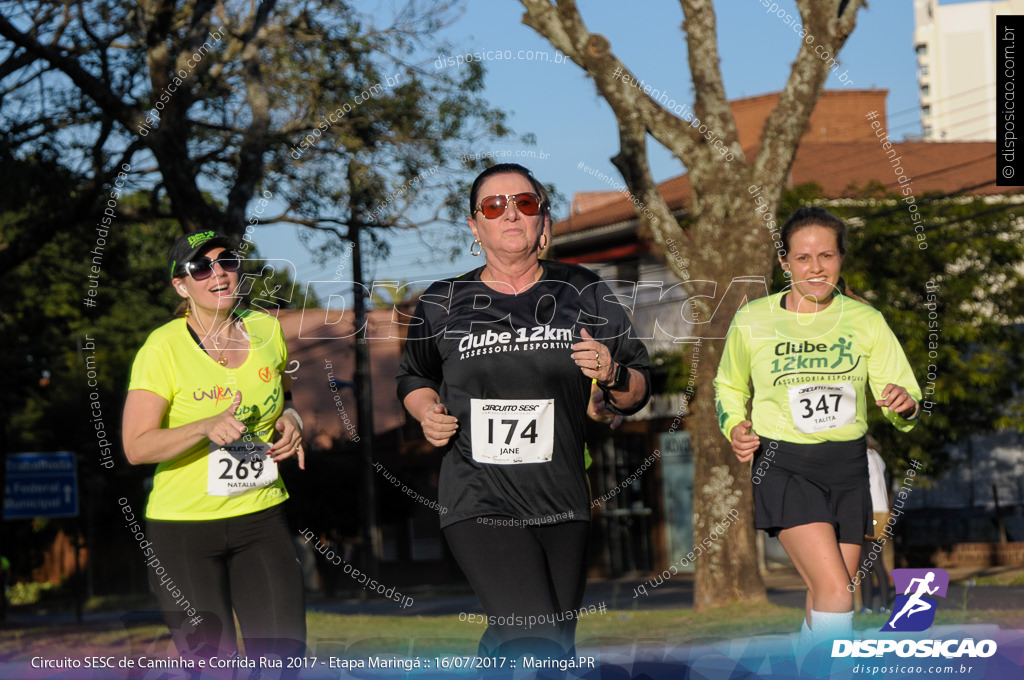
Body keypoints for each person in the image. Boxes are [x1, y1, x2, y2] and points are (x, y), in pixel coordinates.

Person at [397, 164, 651, 660]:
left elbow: (638, 388)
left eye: (525, 203)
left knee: (552, 640)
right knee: (536, 638)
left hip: (562, 495)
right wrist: (427, 411)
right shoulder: (442, 302)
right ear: (475, 227)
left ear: (543, 219)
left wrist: (612, 373)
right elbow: (413, 376)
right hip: (478, 497)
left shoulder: (583, 291)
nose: (510, 213)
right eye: (494, 206)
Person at [714, 206, 921, 647]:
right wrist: (734, 425)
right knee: (837, 595)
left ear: (840, 259)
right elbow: (728, 385)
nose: (816, 268)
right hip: (785, 463)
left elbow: (901, 392)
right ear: (785, 263)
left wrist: (904, 405)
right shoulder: (754, 320)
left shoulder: (866, 320)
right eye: (803, 258)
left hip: (849, 467)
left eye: (826, 256)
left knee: (826, 596)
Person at [122, 230, 306, 668]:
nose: (218, 274)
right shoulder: (162, 348)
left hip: (262, 519)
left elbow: (286, 394)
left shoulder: (266, 329)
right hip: (184, 531)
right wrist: (203, 426)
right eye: (200, 267)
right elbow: (135, 446)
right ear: (181, 286)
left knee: (282, 662)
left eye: (226, 261)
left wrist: (293, 419)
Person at [859, 436, 891, 614]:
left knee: (868, 562)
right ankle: (877, 604)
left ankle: (871, 605)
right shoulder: (877, 456)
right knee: (872, 561)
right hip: (881, 511)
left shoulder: (864, 456)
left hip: (871, 512)